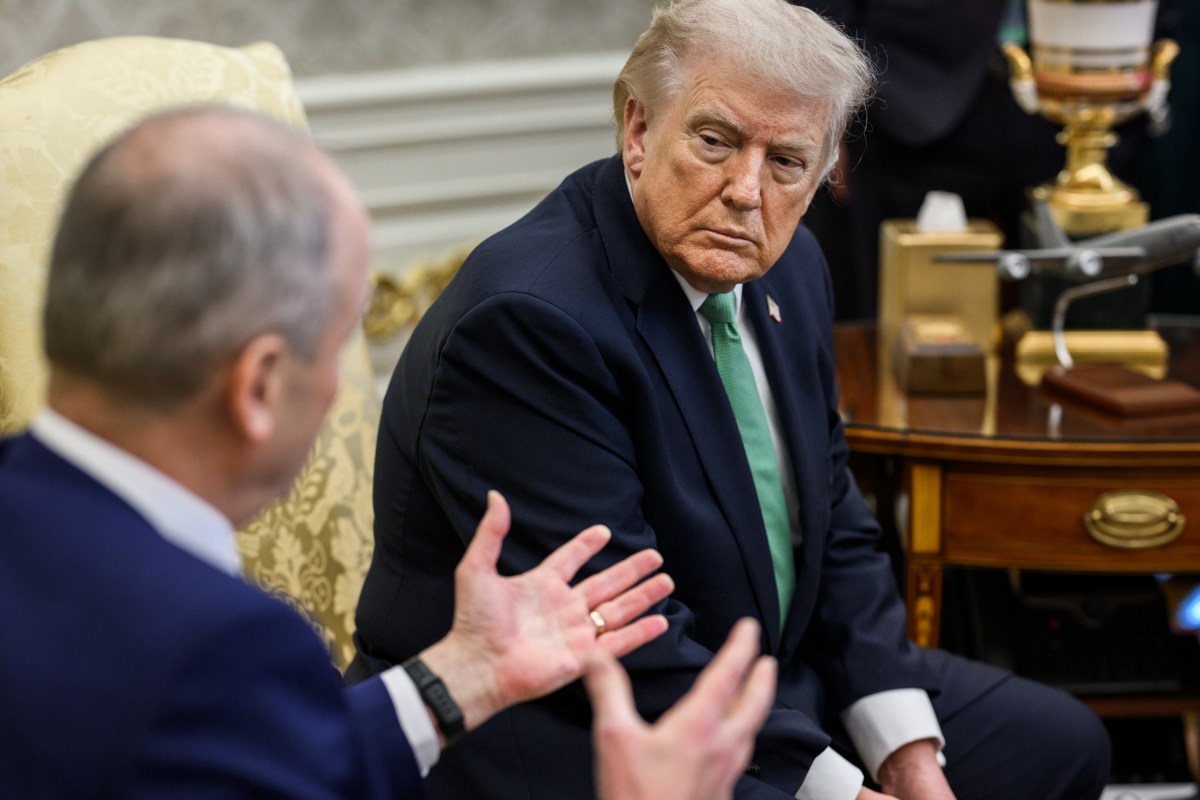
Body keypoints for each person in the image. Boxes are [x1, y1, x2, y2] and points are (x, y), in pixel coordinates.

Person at [350, 0, 1111, 798]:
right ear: (638, 131)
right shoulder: (529, 323)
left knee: (1061, 745)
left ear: (822, 174)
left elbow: (837, 526)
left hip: (758, 670)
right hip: (574, 727)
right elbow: (622, 635)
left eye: (786, 162)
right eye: (714, 142)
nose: (746, 192)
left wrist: (907, 759)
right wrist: (843, 792)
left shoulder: (794, 268)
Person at [0, 104, 774, 799]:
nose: (343, 385)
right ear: (261, 386)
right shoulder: (222, 650)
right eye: (342, 344)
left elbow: (263, 761)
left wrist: (460, 677)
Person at [793, 0, 1182, 321]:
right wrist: (832, 116)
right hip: (905, 97)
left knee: (1084, 307)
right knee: (902, 319)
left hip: (1083, 88)